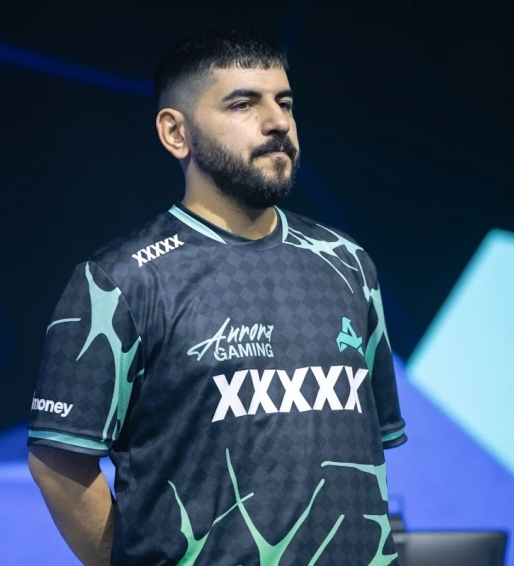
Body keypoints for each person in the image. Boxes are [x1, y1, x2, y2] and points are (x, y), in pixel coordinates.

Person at [26, 25, 407, 566]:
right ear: (175, 133)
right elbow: (58, 466)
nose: (277, 122)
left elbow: (370, 446)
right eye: (243, 104)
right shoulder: (118, 282)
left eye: (284, 102)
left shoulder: (349, 264)